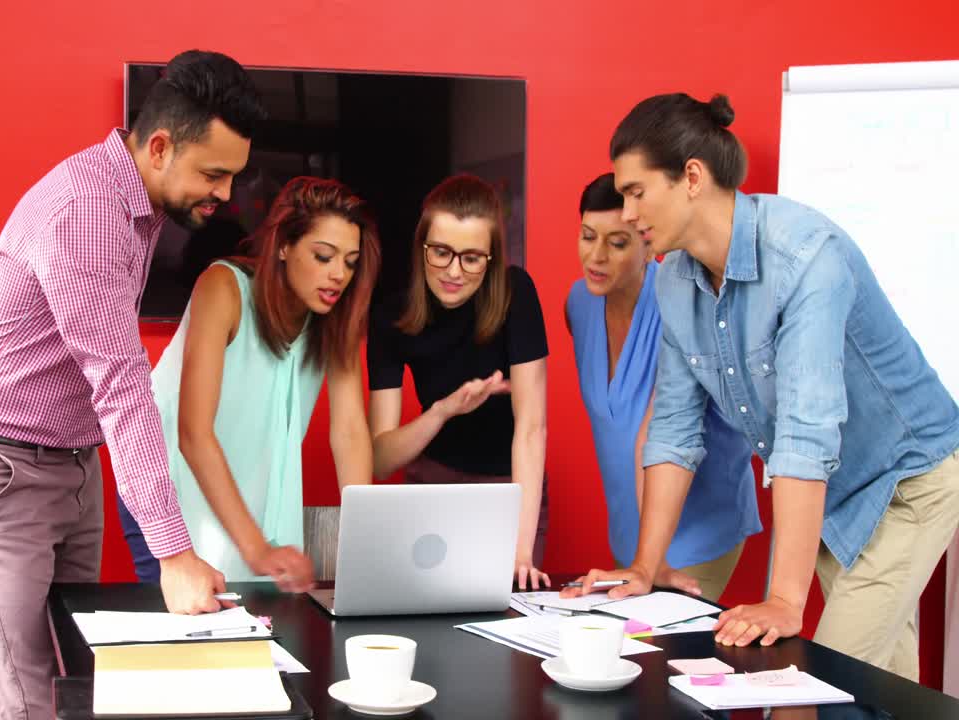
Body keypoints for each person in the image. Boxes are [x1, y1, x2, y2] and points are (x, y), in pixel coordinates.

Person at [568, 92, 959, 681]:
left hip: (907, 478)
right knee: (887, 685)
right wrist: (646, 567)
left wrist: (784, 599)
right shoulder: (674, 279)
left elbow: (805, 433)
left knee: (826, 681)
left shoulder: (805, 257)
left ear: (691, 177)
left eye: (635, 192)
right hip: (831, 488)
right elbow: (673, 427)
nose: (626, 213)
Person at [0, 50, 265, 720]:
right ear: (160, 147)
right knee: (30, 693)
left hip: (72, 461)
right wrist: (174, 554)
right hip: (3, 469)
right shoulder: (87, 211)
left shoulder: (138, 204)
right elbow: (121, 385)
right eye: (213, 174)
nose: (226, 193)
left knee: (82, 676)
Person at [117, 176, 380, 587]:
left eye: (350, 262)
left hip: (245, 489)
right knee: (192, 623)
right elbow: (193, 435)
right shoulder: (223, 287)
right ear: (284, 245)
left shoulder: (334, 317)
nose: (338, 275)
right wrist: (256, 549)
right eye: (323, 256)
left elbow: (348, 432)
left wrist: (365, 540)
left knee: (263, 624)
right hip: (164, 488)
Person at [565, 173, 760, 602]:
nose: (596, 256)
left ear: (649, 244)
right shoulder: (579, 303)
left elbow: (657, 433)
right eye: (587, 236)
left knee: (662, 639)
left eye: (617, 243)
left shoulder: (682, 302)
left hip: (698, 524)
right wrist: (641, 557)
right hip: (629, 527)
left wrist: (651, 561)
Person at [366, 174, 551, 589]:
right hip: (431, 489)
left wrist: (521, 551)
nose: (454, 271)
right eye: (441, 253)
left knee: (508, 605)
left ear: (491, 258)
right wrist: (441, 412)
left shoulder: (516, 293)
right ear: (422, 248)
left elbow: (531, 428)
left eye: (471, 258)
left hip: (510, 491)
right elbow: (380, 459)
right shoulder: (391, 315)